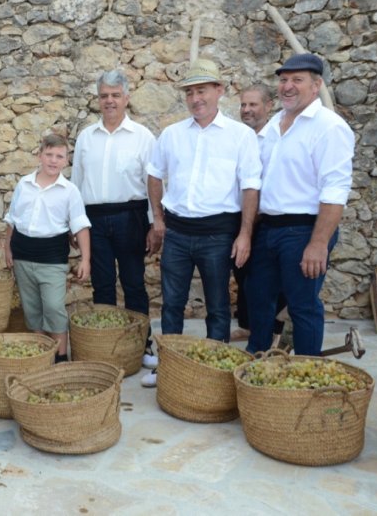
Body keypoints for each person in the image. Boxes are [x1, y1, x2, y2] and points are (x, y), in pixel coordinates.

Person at [146, 58, 262, 387]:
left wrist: (245, 234)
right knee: (171, 304)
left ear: (219, 91)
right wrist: (158, 217)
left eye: (202, 90)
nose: (196, 98)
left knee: (218, 306)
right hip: (178, 231)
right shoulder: (171, 134)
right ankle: (169, 367)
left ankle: (215, 373)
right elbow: (154, 175)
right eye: (190, 92)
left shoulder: (240, 136)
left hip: (219, 232)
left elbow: (250, 186)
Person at [245, 53, 354, 356]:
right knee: (259, 299)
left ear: (317, 84)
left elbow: (335, 189)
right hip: (268, 229)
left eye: (297, 80)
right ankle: (256, 363)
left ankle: (306, 371)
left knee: (303, 305)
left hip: (304, 229)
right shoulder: (273, 125)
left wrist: (318, 243)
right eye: (283, 80)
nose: (288, 86)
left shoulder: (329, 127)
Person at [71, 69, 158, 370]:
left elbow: (152, 183)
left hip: (131, 217)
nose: (109, 101)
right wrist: (76, 222)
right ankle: (106, 344)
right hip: (94, 219)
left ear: (126, 98)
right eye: (104, 95)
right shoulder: (86, 137)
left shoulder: (143, 137)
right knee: (103, 285)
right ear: (98, 99)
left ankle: (142, 344)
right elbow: (76, 183)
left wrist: (152, 224)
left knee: (134, 284)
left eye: (115, 95)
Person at [4, 133, 92, 363]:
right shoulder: (24, 184)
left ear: (66, 161)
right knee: (32, 309)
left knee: (53, 307)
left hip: (52, 258)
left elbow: (81, 226)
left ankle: (61, 357)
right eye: (49, 154)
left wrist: (85, 259)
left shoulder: (69, 191)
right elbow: (12, 219)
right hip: (22, 255)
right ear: (40, 155)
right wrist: (7, 249)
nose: (53, 160)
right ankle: (41, 355)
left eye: (59, 156)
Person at [231, 84, 287, 342]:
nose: (246, 110)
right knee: (242, 274)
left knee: (263, 280)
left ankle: (274, 328)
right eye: (243, 105)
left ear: (268, 106)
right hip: (240, 217)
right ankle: (248, 325)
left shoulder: (276, 139)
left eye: (253, 105)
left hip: (265, 219)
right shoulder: (239, 136)